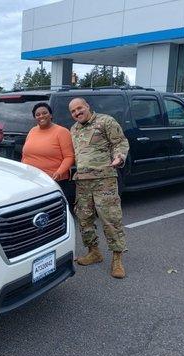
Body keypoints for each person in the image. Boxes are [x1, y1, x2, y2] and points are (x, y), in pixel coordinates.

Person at [68, 97, 129, 279]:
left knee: (111, 219)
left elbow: (120, 142)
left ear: (87, 107)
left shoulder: (105, 121)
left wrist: (119, 157)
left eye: (80, 108)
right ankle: (94, 252)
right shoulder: (74, 129)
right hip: (83, 181)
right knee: (84, 219)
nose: (77, 113)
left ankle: (117, 259)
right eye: (73, 111)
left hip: (104, 179)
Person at [21, 102, 75, 206]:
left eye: (44, 113)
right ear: (35, 118)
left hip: (53, 181)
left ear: (51, 115)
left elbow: (69, 157)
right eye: (38, 115)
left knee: (50, 211)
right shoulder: (32, 130)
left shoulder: (62, 132)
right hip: (32, 179)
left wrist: (59, 173)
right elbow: (25, 154)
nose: (41, 116)